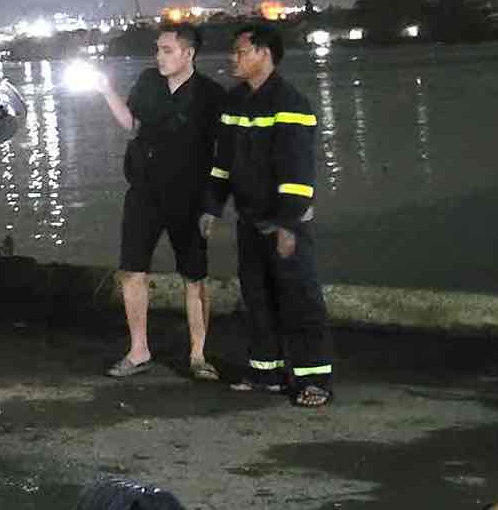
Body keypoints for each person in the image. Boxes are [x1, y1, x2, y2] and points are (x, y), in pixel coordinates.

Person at [206, 23, 334, 406]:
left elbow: (297, 175)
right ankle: (267, 372)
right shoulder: (234, 104)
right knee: (257, 297)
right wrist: (212, 207)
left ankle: (315, 379)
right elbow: (222, 164)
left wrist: (287, 225)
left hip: (284, 222)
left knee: (298, 298)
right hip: (249, 220)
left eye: (240, 52)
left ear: (264, 54)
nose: (234, 58)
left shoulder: (291, 104)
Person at [91, 21, 225, 380]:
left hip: (190, 197)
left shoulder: (211, 95)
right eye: (158, 50)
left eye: (167, 50)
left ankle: (198, 355)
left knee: (194, 276)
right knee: (132, 270)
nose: (159, 56)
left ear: (188, 53)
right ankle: (139, 351)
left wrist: (213, 206)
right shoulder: (148, 82)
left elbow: (222, 153)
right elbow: (132, 126)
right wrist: (106, 91)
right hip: (144, 193)